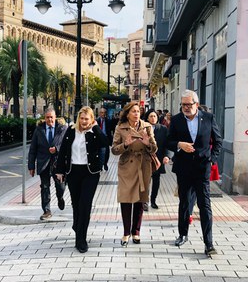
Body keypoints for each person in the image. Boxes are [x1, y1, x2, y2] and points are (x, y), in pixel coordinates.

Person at [167, 90, 222, 256]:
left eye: (189, 104)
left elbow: (218, 141)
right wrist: (179, 145)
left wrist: (212, 159)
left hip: (202, 168)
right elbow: (168, 142)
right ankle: (182, 234)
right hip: (183, 168)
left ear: (196, 104)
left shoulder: (208, 118)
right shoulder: (176, 120)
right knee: (184, 203)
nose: (186, 107)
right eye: (183, 105)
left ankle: (209, 243)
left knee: (204, 205)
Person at [55, 106, 107, 253]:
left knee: (85, 204)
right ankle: (77, 225)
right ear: (78, 118)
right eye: (82, 118)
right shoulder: (71, 131)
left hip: (90, 173)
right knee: (76, 204)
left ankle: (81, 239)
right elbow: (63, 151)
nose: (84, 121)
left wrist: (96, 128)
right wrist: (60, 171)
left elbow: (105, 143)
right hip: (73, 172)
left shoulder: (94, 133)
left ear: (92, 119)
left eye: (87, 119)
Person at [111, 102, 158, 246]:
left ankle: (136, 232)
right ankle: (126, 233)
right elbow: (114, 150)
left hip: (143, 165)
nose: (137, 113)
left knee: (140, 198)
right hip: (127, 166)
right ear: (127, 114)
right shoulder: (120, 127)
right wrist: (125, 144)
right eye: (133, 111)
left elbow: (155, 148)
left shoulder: (147, 126)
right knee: (126, 198)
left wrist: (147, 143)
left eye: (138, 111)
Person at [28, 108, 67, 220]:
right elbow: (33, 149)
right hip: (43, 162)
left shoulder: (62, 129)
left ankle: (60, 198)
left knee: (60, 185)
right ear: (44, 118)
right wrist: (31, 166)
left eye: (51, 117)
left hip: (58, 163)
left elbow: (67, 145)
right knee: (45, 187)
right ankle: (46, 210)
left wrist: (57, 149)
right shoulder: (39, 130)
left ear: (55, 118)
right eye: (47, 117)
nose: (49, 119)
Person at [144, 109, 171, 209]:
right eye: (151, 116)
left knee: (156, 182)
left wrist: (167, 156)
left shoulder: (163, 129)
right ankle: (145, 202)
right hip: (145, 159)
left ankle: (153, 200)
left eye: (155, 116)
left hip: (158, 160)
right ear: (147, 118)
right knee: (146, 182)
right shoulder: (143, 128)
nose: (153, 118)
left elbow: (168, 144)